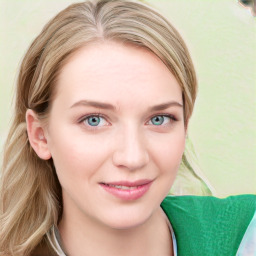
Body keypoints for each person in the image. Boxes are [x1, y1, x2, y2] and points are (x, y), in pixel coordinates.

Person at [0, 0, 255, 255]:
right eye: (94, 120)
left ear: (185, 126)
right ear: (40, 136)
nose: (132, 157)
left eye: (159, 119)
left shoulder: (245, 236)